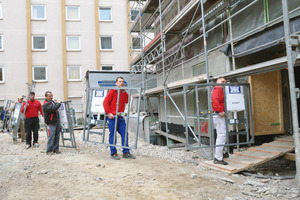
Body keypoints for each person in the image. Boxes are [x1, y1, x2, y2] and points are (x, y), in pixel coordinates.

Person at [103, 77, 136, 160]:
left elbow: (127, 101)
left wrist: (125, 92)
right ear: (116, 83)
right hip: (112, 117)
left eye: (122, 82)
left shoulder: (123, 93)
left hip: (120, 117)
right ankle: (113, 153)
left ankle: (126, 152)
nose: (121, 83)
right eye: (119, 81)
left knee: (125, 133)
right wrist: (109, 113)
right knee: (113, 134)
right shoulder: (112, 92)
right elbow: (105, 102)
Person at [211, 77, 228, 165]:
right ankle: (218, 158)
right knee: (222, 135)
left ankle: (218, 156)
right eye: (222, 81)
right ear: (217, 81)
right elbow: (215, 100)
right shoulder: (218, 89)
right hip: (218, 114)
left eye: (224, 82)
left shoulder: (217, 89)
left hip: (217, 113)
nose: (223, 83)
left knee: (221, 135)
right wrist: (220, 110)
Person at [42, 91, 62, 155]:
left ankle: (56, 149)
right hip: (51, 122)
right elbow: (53, 109)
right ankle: (49, 150)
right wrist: (58, 104)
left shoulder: (51, 102)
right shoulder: (46, 104)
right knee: (51, 136)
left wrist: (55, 103)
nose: (51, 97)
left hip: (56, 121)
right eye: (50, 96)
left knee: (57, 136)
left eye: (52, 95)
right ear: (46, 97)